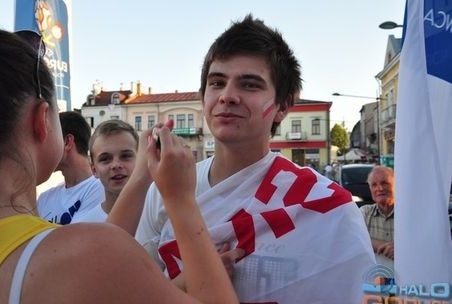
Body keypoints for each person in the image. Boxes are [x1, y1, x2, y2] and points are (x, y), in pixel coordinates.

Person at [0, 22, 238, 303]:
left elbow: (90, 252)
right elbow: (93, 256)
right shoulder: (83, 256)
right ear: (41, 120)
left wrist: (140, 177)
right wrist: (180, 199)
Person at [136, 15, 375, 303]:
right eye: (217, 83)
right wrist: (186, 284)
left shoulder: (327, 207)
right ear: (203, 97)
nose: (227, 96)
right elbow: (135, 286)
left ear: (283, 106)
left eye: (249, 85)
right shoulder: (165, 189)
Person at [36, 111, 104, 225]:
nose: (40, 148)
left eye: (46, 140)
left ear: (67, 142)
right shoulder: (44, 198)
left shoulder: (102, 190)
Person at [75, 120, 139, 222]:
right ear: (94, 170)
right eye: (105, 159)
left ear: (141, 160)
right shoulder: (87, 227)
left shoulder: (161, 215)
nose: (116, 165)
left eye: (125, 156)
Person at [360, 166, 395, 261]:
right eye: (374, 185)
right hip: (375, 275)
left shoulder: (409, 215)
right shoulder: (365, 212)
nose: (379, 188)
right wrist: (382, 246)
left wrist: (402, 248)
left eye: (385, 183)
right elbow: (353, 239)